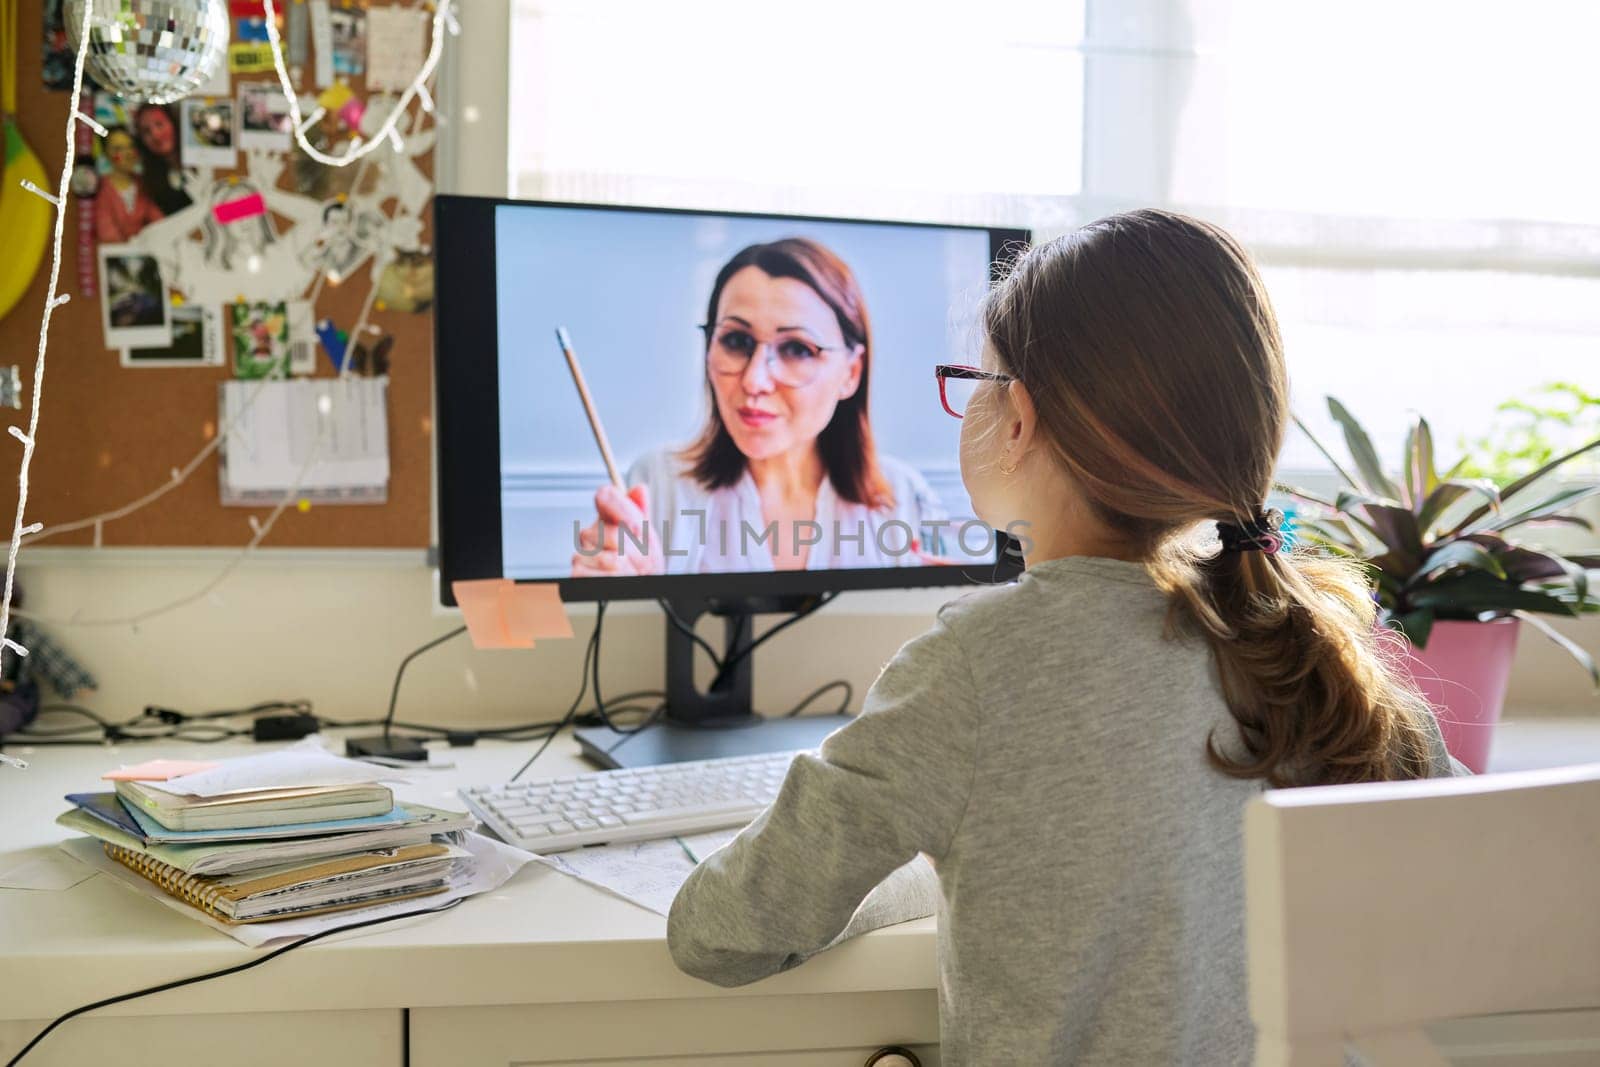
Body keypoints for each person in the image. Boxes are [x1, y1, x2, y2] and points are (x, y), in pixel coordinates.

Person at [666, 210, 1466, 1064]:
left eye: (978, 377)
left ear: (1020, 419)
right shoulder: (1314, 646)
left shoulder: (976, 669)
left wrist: (915, 867)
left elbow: (719, 931)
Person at [571, 237, 946, 576]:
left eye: (797, 349)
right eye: (735, 341)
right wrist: (617, 595)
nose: (754, 381)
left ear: (851, 372)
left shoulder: (904, 499)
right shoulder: (658, 485)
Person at [93, 128, 164, 243]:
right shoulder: (100, 188)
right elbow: (108, 235)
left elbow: (159, 222)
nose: (128, 153)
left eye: (131, 146)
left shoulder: (143, 184)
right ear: (106, 154)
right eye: (118, 149)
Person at [132, 103, 192, 215]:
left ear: (173, 122)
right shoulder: (150, 185)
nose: (155, 134)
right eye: (146, 131)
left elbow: (234, 208)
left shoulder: (205, 159)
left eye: (159, 124)